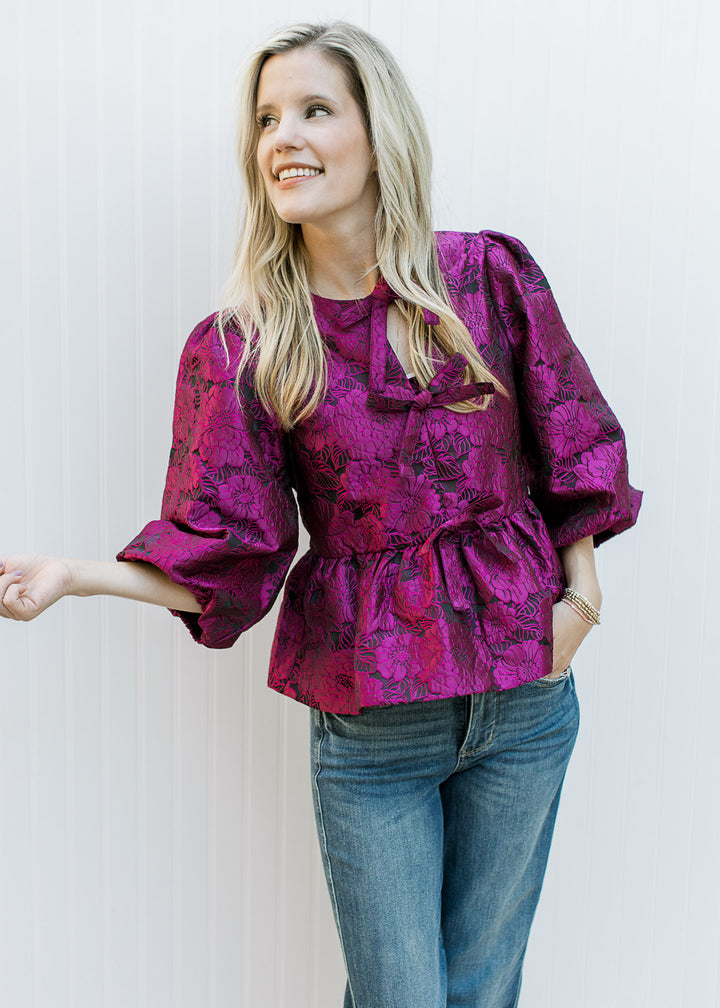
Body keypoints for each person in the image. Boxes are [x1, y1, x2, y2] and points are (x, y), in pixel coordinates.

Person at [0, 20, 641, 1008]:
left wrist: (583, 598)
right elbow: (228, 545)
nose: (281, 137)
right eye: (265, 119)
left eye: (313, 110)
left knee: (482, 994)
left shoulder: (488, 279)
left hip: (525, 703)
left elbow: (575, 441)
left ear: (377, 130)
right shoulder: (248, 345)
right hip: (375, 733)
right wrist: (74, 574)